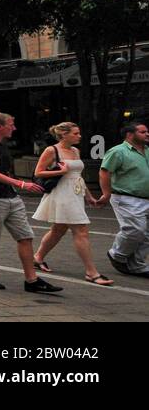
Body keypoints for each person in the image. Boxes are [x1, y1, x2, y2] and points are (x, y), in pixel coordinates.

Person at [0, 112, 61, 293]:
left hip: (12, 198)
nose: (14, 128)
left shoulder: (3, 146)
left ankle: (31, 280)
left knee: (25, 236)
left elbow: (5, 172)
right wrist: (21, 184)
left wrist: (18, 186)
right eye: (11, 124)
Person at [31, 121, 112, 285]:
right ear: (63, 135)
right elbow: (38, 172)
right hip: (62, 194)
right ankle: (91, 272)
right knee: (81, 231)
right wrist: (60, 171)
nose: (79, 136)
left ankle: (37, 258)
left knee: (58, 229)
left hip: (75, 193)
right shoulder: (51, 150)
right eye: (75, 133)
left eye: (79, 133)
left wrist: (88, 196)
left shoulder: (75, 150)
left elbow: (77, 176)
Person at [96, 119, 149, 277]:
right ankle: (117, 254)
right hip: (126, 197)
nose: (147, 134)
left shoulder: (147, 150)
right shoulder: (118, 151)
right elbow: (105, 172)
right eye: (143, 132)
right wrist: (106, 193)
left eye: (147, 131)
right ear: (129, 134)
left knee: (146, 235)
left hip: (146, 197)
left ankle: (137, 265)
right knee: (135, 230)